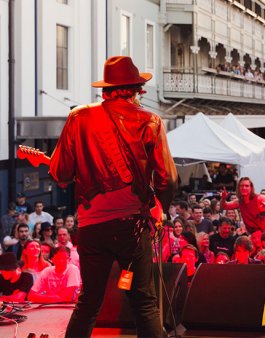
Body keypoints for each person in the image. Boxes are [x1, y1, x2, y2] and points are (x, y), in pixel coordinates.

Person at [49, 56, 177, 337]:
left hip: (91, 225)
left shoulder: (78, 117)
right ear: (136, 90)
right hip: (132, 224)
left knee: (89, 301)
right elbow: (168, 179)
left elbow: (60, 173)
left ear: (106, 89)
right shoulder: (150, 121)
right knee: (144, 302)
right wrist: (160, 208)